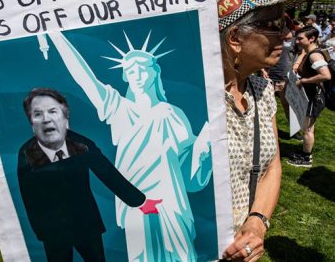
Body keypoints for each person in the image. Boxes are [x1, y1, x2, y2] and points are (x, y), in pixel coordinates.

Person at [78, 0, 313, 261]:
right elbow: (124, 46)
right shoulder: (189, 96)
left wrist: (257, 222)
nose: (287, 34)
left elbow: (271, 166)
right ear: (235, 38)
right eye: (273, 25)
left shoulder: (261, 88)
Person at [47, 29, 213, 261]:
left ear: (154, 73)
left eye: (141, 69)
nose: (136, 75)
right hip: (137, 196)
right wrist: (56, 37)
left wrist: (202, 151)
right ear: (125, 76)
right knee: (142, 256)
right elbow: (85, 78)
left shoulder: (172, 113)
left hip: (170, 198)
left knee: (181, 255)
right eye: (130, 71)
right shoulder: (118, 108)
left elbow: (188, 169)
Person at [18, 88, 161, 262]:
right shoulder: (27, 154)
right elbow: (29, 197)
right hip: (53, 231)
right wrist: (42, 231)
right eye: (38, 114)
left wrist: (141, 202)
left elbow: (108, 174)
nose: (46, 118)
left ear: (65, 120)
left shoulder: (82, 145)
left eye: (53, 111)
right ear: (32, 124)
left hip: (85, 223)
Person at [287, 26, 331, 167]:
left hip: (314, 97)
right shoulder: (309, 52)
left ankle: (306, 158)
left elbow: (326, 75)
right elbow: (302, 58)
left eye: (300, 39)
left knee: (307, 128)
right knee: (308, 127)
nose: (297, 41)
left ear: (311, 38)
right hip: (311, 96)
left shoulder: (314, 55)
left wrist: (303, 81)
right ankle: (305, 151)